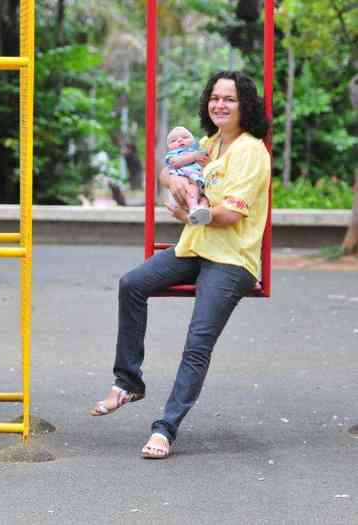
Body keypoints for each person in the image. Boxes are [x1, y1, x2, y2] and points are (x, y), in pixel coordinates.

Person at [90, 70, 270, 459]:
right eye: (215, 98)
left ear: (246, 106)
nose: (219, 104)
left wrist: (193, 207)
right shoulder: (211, 142)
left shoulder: (251, 151)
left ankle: (165, 429)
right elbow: (170, 167)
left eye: (230, 99)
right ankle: (128, 382)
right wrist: (173, 184)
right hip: (194, 247)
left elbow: (229, 215)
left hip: (231, 258)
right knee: (132, 284)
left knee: (197, 341)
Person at [164, 126, 211, 225]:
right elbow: (175, 163)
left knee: (204, 199)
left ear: (193, 141)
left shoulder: (197, 150)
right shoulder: (174, 154)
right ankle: (193, 208)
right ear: (169, 147)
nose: (180, 140)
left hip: (198, 184)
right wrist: (194, 156)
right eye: (174, 141)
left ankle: (202, 210)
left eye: (185, 137)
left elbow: (203, 165)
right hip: (184, 188)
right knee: (192, 190)